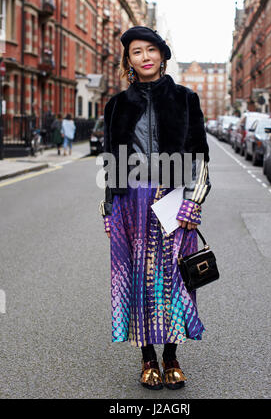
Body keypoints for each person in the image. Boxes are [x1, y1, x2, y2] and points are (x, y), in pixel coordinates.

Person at [99, 26, 211, 390]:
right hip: (130, 203)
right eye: (136, 52)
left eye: (151, 50)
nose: (144, 57)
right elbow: (110, 162)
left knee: (175, 279)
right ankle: (148, 359)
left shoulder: (185, 98)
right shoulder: (116, 105)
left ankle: (172, 357)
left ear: (162, 55)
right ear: (128, 60)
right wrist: (108, 209)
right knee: (138, 281)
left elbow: (199, 155)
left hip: (174, 198)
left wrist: (193, 202)